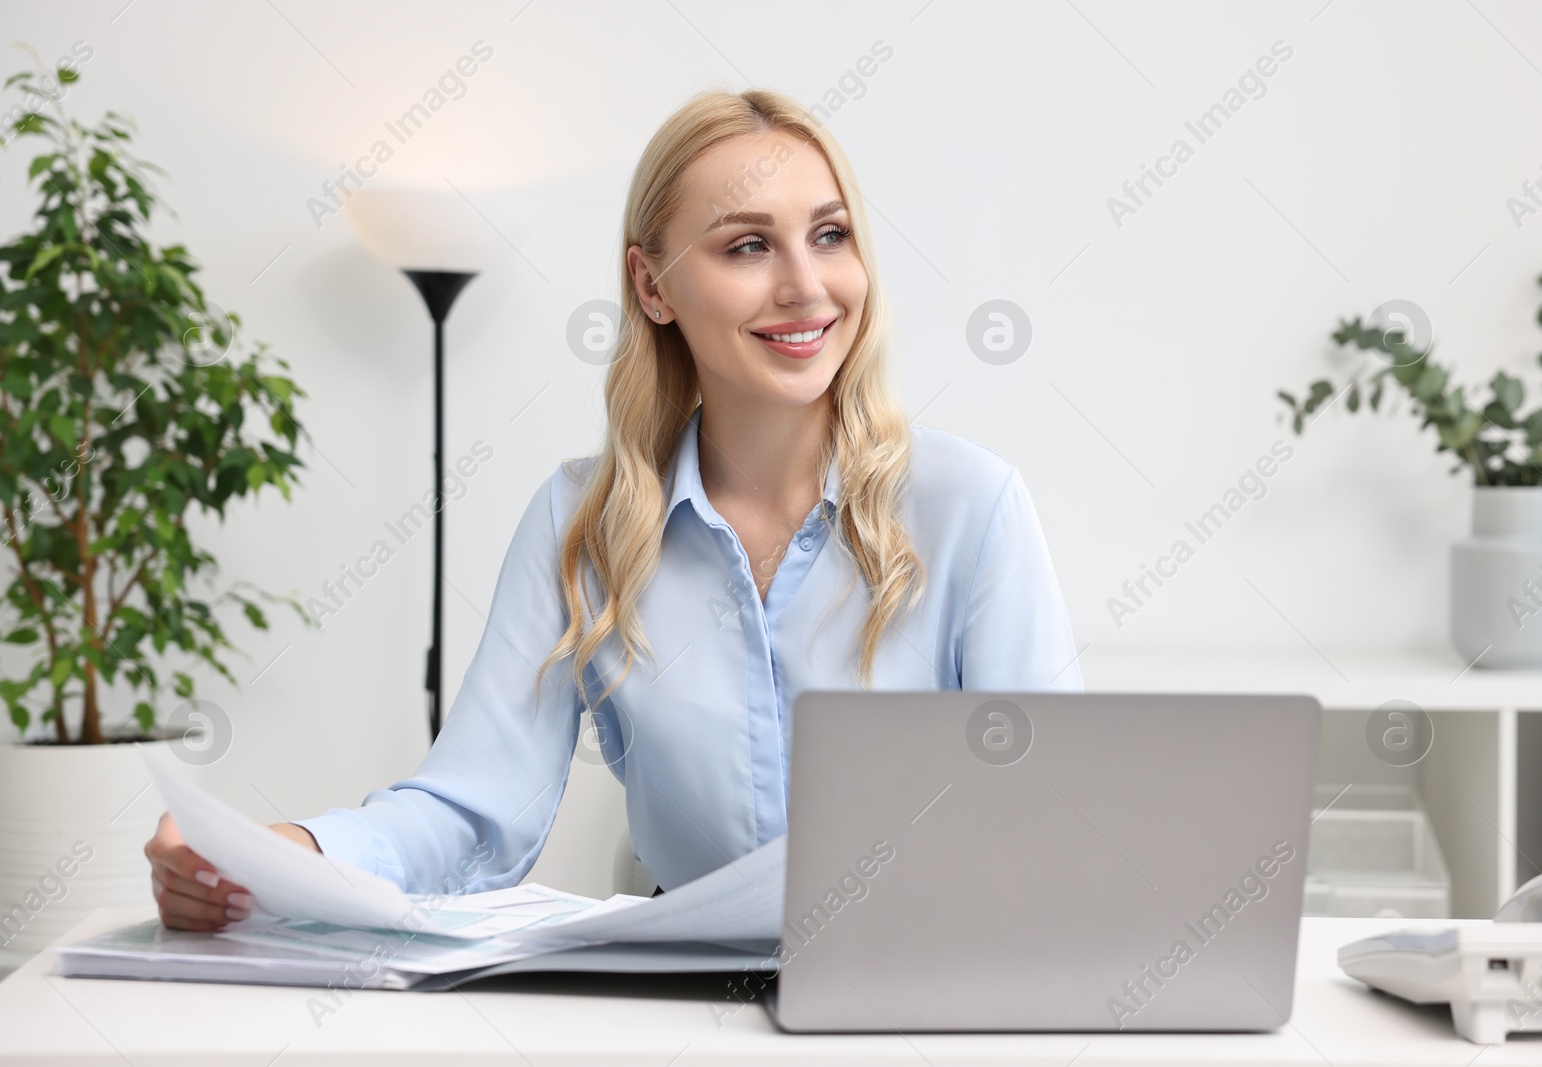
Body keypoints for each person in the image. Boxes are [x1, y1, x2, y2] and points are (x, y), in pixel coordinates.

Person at [144, 87, 1084, 932]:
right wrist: (282, 855)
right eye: (748, 245)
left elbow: (1051, 819)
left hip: (924, 1000)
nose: (806, 284)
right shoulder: (579, 523)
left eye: (829, 235)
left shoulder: (973, 508)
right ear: (651, 285)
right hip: (684, 1010)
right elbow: (473, 808)